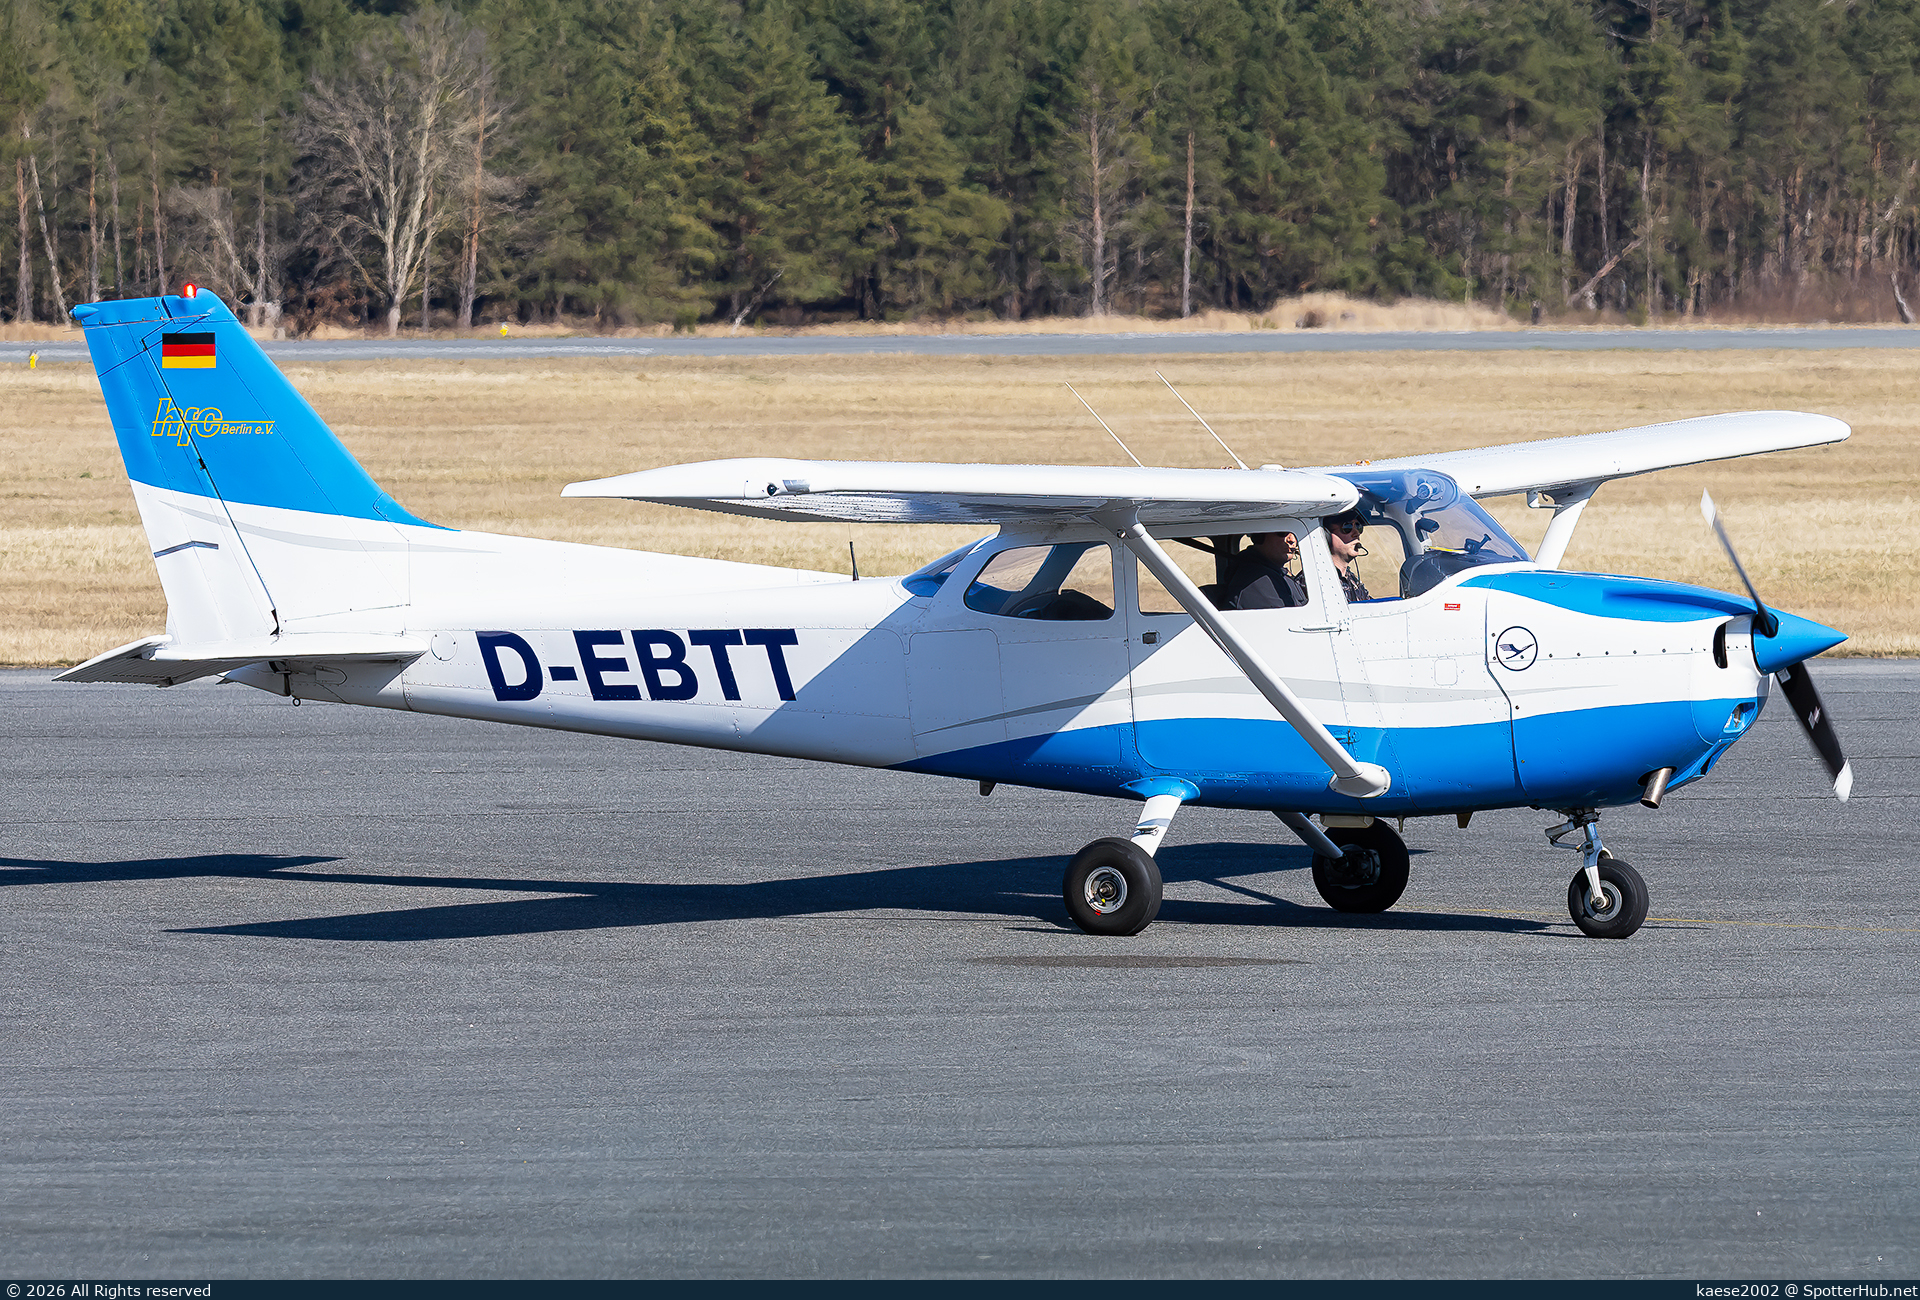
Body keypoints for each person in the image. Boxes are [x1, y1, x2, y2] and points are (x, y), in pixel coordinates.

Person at [1221, 531, 1307, 609]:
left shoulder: (1277, 573)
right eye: (1282, 533)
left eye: (1294, 534)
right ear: (1260, 536)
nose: (1292, 540)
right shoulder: (1255, 579)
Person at [1326, 510, 1371, 602]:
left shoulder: (1353, 580)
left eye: (1358, 527)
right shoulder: (1313, 579)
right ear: (1326, 536)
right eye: (1347, 527)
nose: (1356, 533)